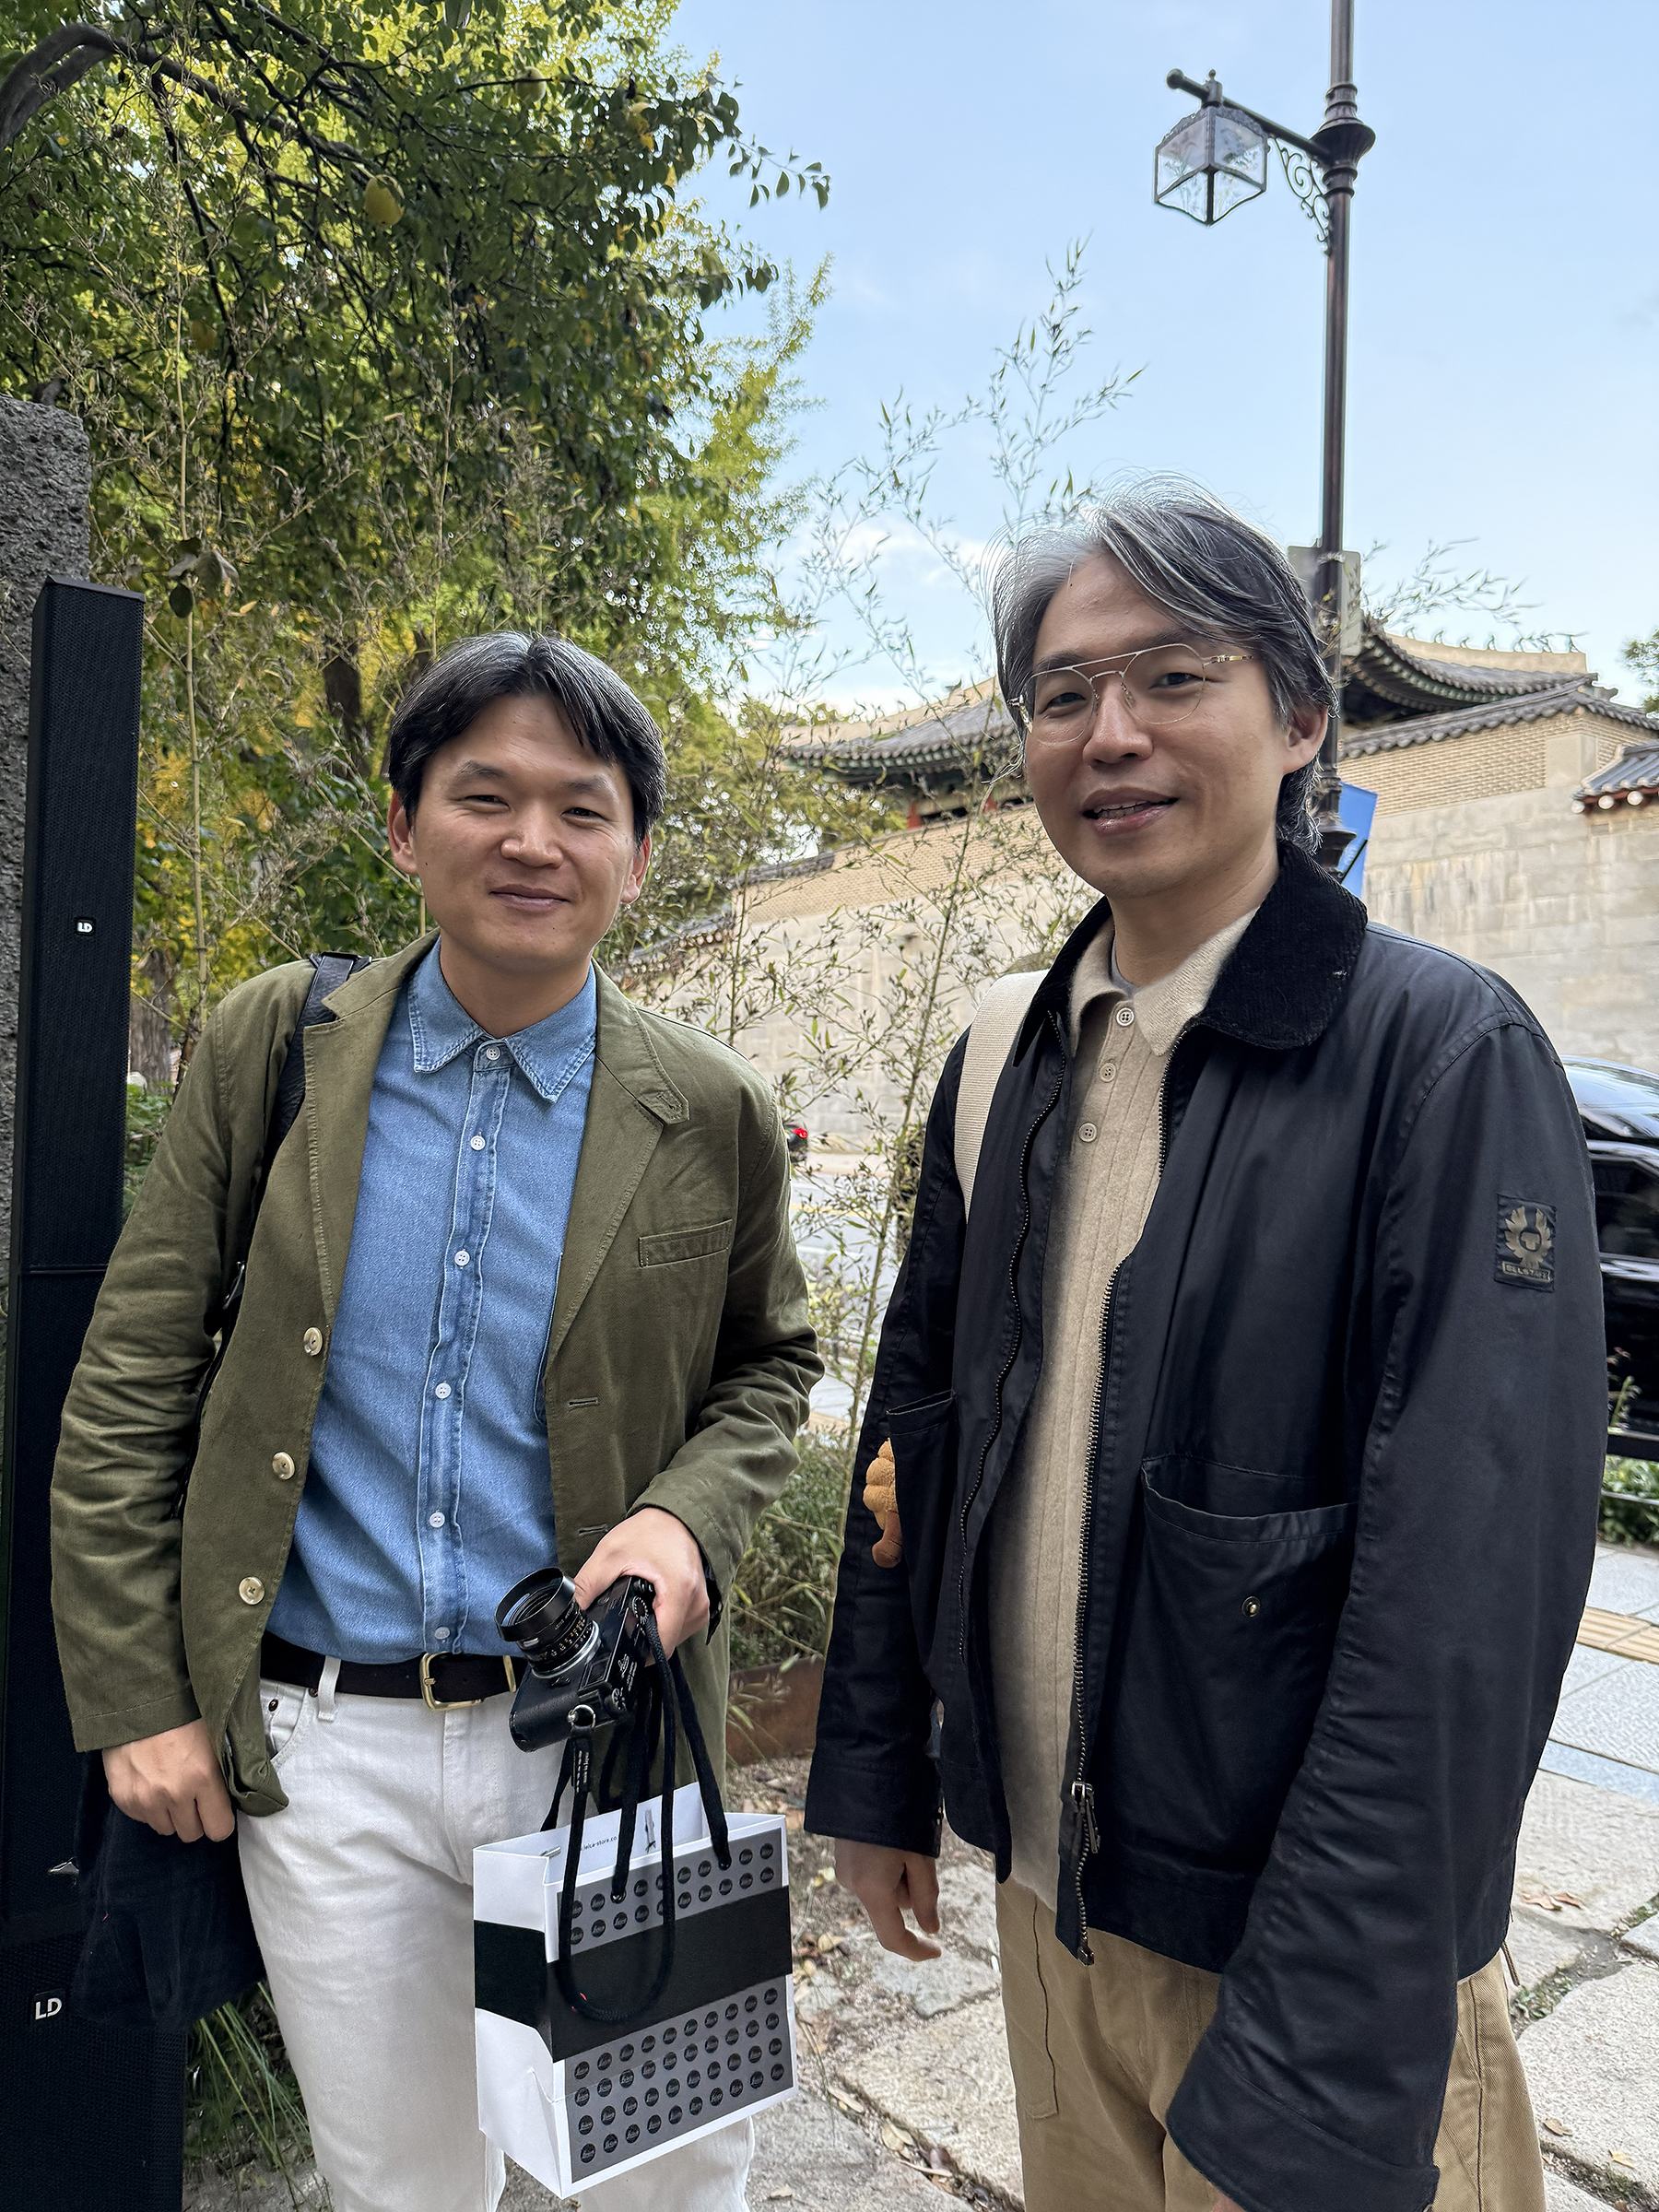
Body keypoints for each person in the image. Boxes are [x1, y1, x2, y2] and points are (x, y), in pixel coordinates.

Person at [805, 479, 1605, 2212]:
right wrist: (877, 1773)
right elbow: (911, 1429)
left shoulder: (1436, 1058)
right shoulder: (1004, 1051)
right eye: (1064, 694)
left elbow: (1461, 1609)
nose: (1113, 735)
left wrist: (1314, 2067)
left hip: (1309, 1974)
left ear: (1301, 717)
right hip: (1055, 1917)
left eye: (1174, 678)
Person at [52, 631, 820, 2212]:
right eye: (485, 796)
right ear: (405, 828)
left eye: (582, 808)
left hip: (614, 1746)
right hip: (331, 1756)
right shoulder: (276, 1045)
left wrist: (684, 1522)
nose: (533, 841)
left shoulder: (709, 1106)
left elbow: (771, 1367)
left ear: (638, 857)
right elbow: (131, 1376)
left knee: (670, 2181)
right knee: (398, 2187)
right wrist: (140, 1698)